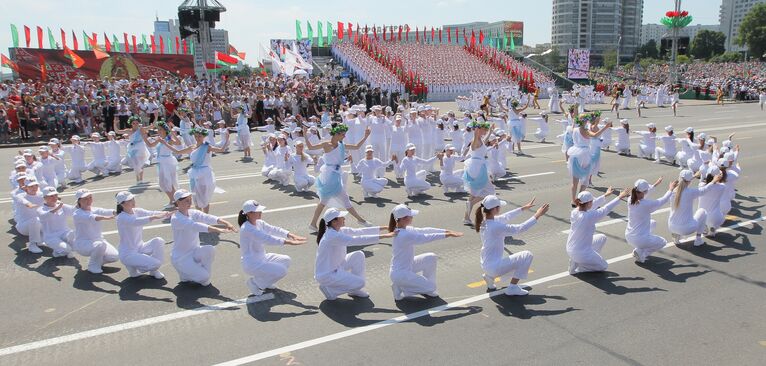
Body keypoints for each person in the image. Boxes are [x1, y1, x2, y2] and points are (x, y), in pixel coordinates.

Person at [302, 123, 374, 231]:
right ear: (336, 134)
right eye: (342, 134)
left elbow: (357, 147)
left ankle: (312, 224)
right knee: (335, 200)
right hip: (329, 175)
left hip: (335, 174)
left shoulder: (341, 145)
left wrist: (366, 136)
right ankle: (361, 220)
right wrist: (305, 135)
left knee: (325, 201)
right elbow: (311, 147)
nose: (344, 136)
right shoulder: (326, 144)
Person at [314, 208, 395, 300]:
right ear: (334, 222)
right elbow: (357, 240)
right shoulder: (332, 236)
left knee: (358, 255)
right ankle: (331, 291)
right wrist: (385, 236)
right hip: (327, 274)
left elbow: (359, 231)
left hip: (335, 266)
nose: (344, 219)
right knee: (361, 283)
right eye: (342, 217)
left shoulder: (338, 230)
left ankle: (354, 290)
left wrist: (385, 227)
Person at [475, 195, 549, 295]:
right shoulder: (495, 226)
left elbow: (506, 216)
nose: (500, 209)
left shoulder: (484, 221)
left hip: (485, 264)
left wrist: (523, 208)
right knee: (527, 255)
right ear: (495, 209)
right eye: (499, 207)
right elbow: (520, 228)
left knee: (507, 258)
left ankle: (489, 277)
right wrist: (537, 215)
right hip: (493, 267)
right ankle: (512, 288)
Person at [388, 204, 463, 300]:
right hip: (400, 274)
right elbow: (426, 237)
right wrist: (447, 235)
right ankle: (400, 287)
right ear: (404, 218)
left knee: (431, 257)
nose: (412, 217)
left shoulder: (406, 229)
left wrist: (447, 231)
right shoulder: (403, 235)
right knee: (432, 287)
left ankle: (425, 288)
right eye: (411, 216)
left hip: (406, 266)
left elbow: (424, 230)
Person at [238, 200, 307, 296]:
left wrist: (290, 235)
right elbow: (267, 239)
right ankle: (254, 283)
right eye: (257, 211)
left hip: (262, 258)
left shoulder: (259, 222)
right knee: (282, 271)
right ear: (249, 213)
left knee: (286, 260)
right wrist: (288, 242)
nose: (260, 212)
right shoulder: (247, 229)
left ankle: (266, 281)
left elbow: (273, 229)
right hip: (253, 264)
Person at [170, 189, 236, 286]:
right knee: (204, 278)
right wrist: (218, 230)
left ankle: (191, 273)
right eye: (186, 201)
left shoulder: (192, 212)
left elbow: (207, 217)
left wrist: (226, 223)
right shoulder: (176, 218)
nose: (190, 202)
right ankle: (186, 272)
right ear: (177, 202)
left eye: (190, 199)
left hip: (194, 252)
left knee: (210, 250)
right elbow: (195, 226)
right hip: (181, 258)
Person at [158, 128, 226, 213]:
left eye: (200, 136)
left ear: (204, 136)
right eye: (196, 136)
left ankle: (205, 216)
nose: (198, 138)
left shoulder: (207, 147)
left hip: (205, 173)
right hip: (194, 173)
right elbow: (178, 152)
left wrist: (226, 139)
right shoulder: (192, 147)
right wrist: (165, 143)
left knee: (204, 197)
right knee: (196, 197)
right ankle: (199, 216)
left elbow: (221, 150)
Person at [566, 187, 630, 274]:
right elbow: (605, 209)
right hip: (581, 252)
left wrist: (606, 195)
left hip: (571, 248)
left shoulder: (575, 211)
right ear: (588, 203)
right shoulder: (589, 216)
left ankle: (577, 261)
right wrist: (619, 197)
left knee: (601, 238)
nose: (593, 202)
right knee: (603, 266)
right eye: (591, 201)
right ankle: (581, 267)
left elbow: (593, 204)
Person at [115, 191, 172, 279]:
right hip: (128, 254)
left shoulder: (137, 211)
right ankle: (138, 266)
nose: (133, 201)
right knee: (156, 263)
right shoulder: (121, 218)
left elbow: (151, 212)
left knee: (159, 241)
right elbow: (136, 222)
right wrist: (155, 217)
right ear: (122, 204)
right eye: (129, 200)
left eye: (132, 199)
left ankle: (152, 270)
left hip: (140, 247)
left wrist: (167, 213)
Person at [625, 178, 675, 263]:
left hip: (629, 235)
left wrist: (656, 184)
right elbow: (662, 200)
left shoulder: (630, 199)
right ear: (644, 192)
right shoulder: (646, 204)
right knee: (663, 242)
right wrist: (670, 189)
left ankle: (639, 249)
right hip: (639, 239)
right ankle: (642, 253)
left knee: (653, 222)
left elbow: (644, 194)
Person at [567, 112, 612, 206]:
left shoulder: (574, 129)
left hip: (574, 153)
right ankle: (579, 199)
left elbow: (575, 118)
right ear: (585, 121)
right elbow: (595, 135)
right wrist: (606, 127)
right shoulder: (585, 130)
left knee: (574, 181)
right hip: (584, 154)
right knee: (585, 179)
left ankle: (572, 200)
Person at [668, 170, 721, 246]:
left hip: (671, 226)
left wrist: (694, 176)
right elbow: (704, 190)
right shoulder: (690, 192)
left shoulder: (672, 190)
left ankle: (676, 238)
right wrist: (713, 181)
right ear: (689, 181)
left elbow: (684, 181)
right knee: (702, 212)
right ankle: (698, 240)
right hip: (686, 229)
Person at [72, 189, 119, 274]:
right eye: (85, 198)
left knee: (114, 256)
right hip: (83, 244)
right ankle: (93, 266)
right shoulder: (77, 214)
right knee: (100, 245)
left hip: (97, 241)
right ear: (79, 201)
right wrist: (106, 218)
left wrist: (116, 212)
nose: (88, 200)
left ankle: (94, 260)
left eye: (90, 197)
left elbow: (105, 211)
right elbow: (92, 217)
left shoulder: (95, 209)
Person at [462, 121, 495, 224]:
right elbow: (475, 143)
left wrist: (490, 131)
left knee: (473, 194)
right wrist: (476, 132)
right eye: (484, 130)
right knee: (490, 192)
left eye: (486, 130)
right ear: (478, 130)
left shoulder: (480, 140)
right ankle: (472, 203)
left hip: (477, 167)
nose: (485, 131)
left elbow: (483, 142)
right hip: (477, 168)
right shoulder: (475, 140)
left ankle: (466, 218)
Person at [143, 121, 180, 207]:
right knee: (163, 183)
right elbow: (150, 145)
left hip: (167, 161)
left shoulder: (168, 139)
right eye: (158, 129)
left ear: (164, 130)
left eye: (160, 129)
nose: (158, 131)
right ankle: (173, 200)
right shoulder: (159, 139)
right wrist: (144, 137)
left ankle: (174, 201)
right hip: (162, 162)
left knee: (168, 182)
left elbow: (178, 143)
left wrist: (170, 131)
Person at [36, 187, 75, 258]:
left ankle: (60, 250)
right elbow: (45, 216)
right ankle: (61, 250)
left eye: (55, 195)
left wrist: (80, 204)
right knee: (68, 249)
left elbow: (73, 210)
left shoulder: (61, 205)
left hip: (65, 232)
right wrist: (57, 208)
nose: (54, 198)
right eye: (51, 196)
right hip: (51, 236)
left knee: (74, 234)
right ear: (45, 198)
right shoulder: (40, 209)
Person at [116, 117, 150, 184]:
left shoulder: (141, 129)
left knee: (141, 164)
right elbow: (117, 131)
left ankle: (141, 180)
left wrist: (156, 116)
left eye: (137, 123)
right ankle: (138, 179)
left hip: (141, 147)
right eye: (133, 123)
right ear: (131, 123)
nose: (135, 124)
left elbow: (152, 126)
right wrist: (115, 124)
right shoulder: (129, 131)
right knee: (136, 164)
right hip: (132, 148)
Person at [14, 179, 44, 253]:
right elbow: (29, 205)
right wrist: (42, 203)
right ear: (26, 187)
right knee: (35, 220)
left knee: (49, 218)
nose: (34, 188)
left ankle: (41, 240)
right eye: (31, 186)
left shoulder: (40, 194)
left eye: (36, 185)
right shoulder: (20, 196)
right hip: (23, 226)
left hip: (37, 223)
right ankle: (32, 244)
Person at [697, 166, 727, 237]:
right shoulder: (722, 187)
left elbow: (707, 183)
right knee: (721, 217)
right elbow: (720, 183)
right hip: (715, 217)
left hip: (702, 216)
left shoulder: (701, 185)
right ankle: (712, 228)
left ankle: (704, 227)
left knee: (701, 216)